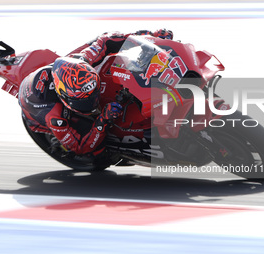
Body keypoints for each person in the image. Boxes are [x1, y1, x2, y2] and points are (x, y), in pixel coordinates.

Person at [18, 29, 173, 159]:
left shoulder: (83, 61)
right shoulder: (54, 116)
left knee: (109, 53)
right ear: (65, 98)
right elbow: (80, 147)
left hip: (62, 74)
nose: (94, 100)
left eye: (94, 93)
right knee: (97, 153)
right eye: (86, 100)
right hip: (41, 117)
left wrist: (149, 38)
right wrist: (102, 120)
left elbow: (107, 39)